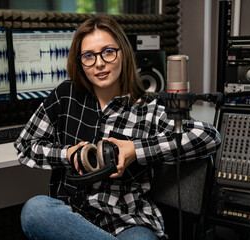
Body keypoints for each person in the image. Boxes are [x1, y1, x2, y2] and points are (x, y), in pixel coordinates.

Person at [14, 15, 221, 240]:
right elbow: (26, 145)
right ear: (79, 61)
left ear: (123, 52)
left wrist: (136, 150)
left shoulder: (148, 107)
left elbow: (209, 136)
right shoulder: (65, 95)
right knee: (35, 211)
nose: (99, 63)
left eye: (108, 52)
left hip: (129, 221)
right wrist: (67, 154)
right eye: (88, 56)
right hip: (71, 217)